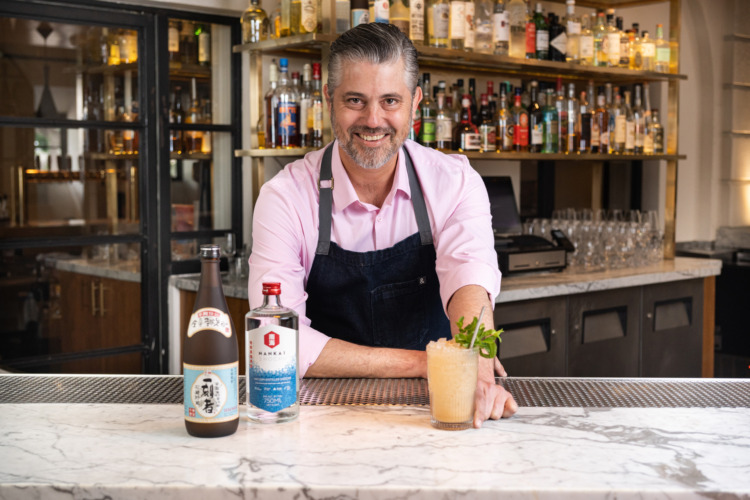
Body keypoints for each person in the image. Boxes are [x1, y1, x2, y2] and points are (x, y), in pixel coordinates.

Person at [249, 23, 517, 426]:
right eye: (355, 100)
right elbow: (278, 339)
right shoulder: (285, 196)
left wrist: (475, 368)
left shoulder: (455, 182)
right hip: (320, 412)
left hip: (433, 409)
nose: (373, 120)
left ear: (415, 102)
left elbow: (470, 282)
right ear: (328, 100)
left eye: (390, 100)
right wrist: (427, 362)